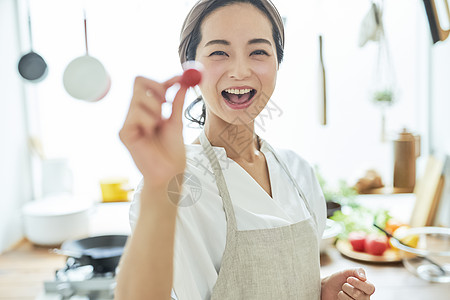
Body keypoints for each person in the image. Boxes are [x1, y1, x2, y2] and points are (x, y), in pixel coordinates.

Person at [116, 0, 376, 299]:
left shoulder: (298, 171)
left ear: (278, 62)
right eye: (219, 52)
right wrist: (158, 184)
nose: (240, 71)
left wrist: (320, 292)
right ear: (190, 67)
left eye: (258, 52)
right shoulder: (178, 185)